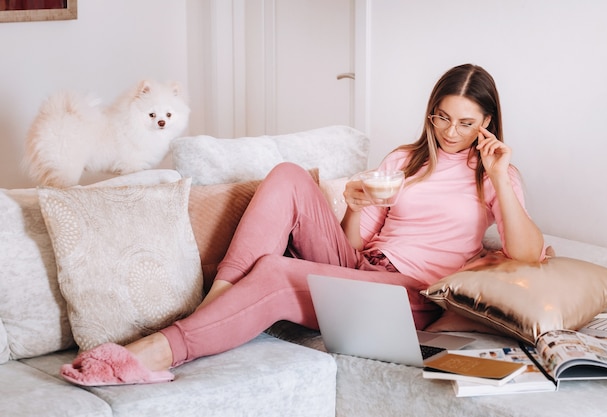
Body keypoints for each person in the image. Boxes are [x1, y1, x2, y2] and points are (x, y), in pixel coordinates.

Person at [61, 63, 545, 386]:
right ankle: (215, 304)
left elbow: (525, 253)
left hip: (412, 293)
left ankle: (159, 354)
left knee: (274, 270)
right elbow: (358, 247)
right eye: (441, 117)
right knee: (289, 175)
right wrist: (354, 205)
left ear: (488, 123)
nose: (450, 132)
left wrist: (500, 175)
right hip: (362, 266)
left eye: (466, 123)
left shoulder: (493, 177)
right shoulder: (404, 158)